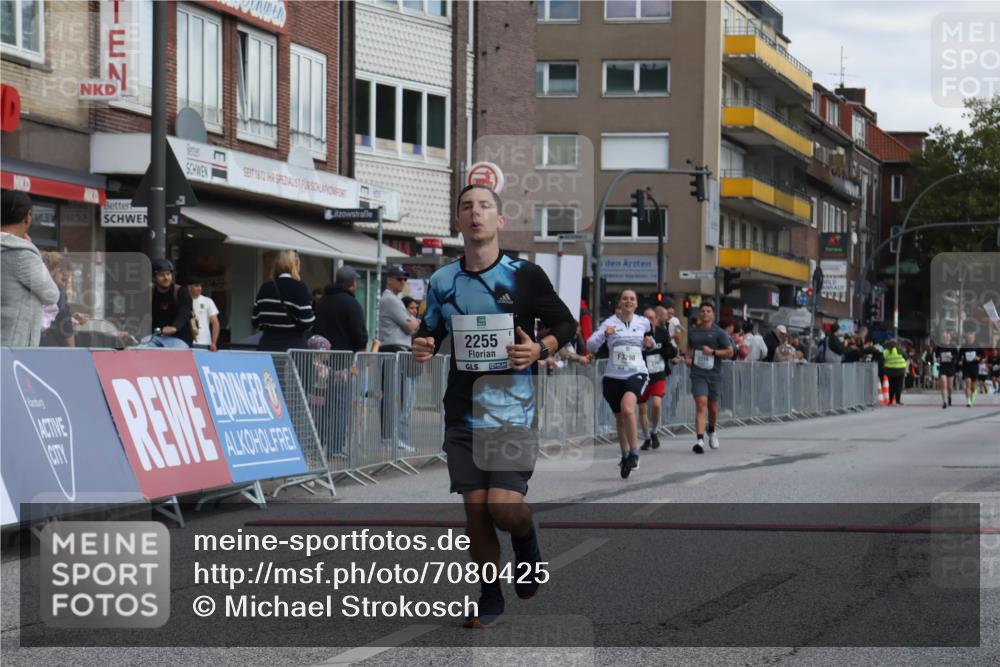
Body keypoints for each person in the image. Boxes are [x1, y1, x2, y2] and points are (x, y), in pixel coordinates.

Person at [411, 184, 575, 627]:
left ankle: (525, 539)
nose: (476, 213)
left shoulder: (526, 275)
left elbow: (567, 323)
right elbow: (429, 332)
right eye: (467, 207)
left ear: (500, 221)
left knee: (503, 508)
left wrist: (541, 348)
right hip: (462, 411)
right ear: (458, 222)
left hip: (511, 410)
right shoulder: (443, 280)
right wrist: (422, 345)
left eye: (484, 206)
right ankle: (488, 593)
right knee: (476, 510)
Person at [587, 290, 652, 476]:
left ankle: (634, 453)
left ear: (636, 304)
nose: (628, 301)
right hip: (613, 378)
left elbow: (651, 340)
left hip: (636, 373)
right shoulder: (609, 323)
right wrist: (604, 335)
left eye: (632, 299)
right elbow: (591, 345)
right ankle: (624, 455)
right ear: (620, 303)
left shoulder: (643, 322)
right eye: (625, 298)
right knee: (620, 419)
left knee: (628, 409)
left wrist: (650, 343)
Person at [1, 190, 59, 347]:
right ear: (28, 216)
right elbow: (51, 294)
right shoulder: (22, 254)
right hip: (14, 347)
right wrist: (32, 248)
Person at [685, 301, 734, 453]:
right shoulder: (693, 332)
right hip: (698, 373)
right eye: (703, 311)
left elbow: (730, 351)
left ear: (712, 314)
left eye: (708, 311)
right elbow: (689, 349)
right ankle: (699, 441)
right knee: (701, 404)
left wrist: (712, 352)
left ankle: (711, 430)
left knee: (712, 408)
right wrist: (687, 358)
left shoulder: (720, 333)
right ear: (699, 314)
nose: (705, 313)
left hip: (714, 374)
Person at [251, 250, 314, 352]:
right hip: (293, 349)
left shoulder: (265, 288)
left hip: (267, 346)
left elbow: (255, 321)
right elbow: (307, 322)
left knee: (267, 369)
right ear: (295, 265)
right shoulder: (299, 287)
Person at [639, 306, 676, 451]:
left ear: (656, 319)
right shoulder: (637, 334)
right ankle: (647, 437)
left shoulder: (662, 332)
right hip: (642, 375)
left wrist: (666, 350)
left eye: (651, 317)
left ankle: (654, 431)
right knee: (642, 408)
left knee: (656, 403)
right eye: (646, 317)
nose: (649, 320)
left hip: (658, 373)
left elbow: (669, 350)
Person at [314, 266, 368, 353]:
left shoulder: (321, 302)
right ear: (353, 283)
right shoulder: (352, 303)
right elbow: (360, 335)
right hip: (345, 358)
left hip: (322, 356)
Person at [151, 258, 194, 346]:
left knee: (176, 353)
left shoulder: (181, 292)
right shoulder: (149, 294)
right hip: (155, 337)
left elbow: (185, 313)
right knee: (141, 349)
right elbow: (139, 313)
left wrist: (174, 327)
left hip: (180, 338)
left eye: (168, 274)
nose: (166, 278)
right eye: (161, 275)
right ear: (154, 278)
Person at [41, 251, 77, 347]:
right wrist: (74, 353)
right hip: (50, 348)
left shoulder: (36, 286)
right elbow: (66, 327)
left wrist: (72, 317)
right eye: (64, 279)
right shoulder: (57, 290)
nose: (64, 285)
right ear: (55, 270)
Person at [188, 277, 221, 351]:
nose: (199, 288)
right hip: (185, 342)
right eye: (196, 286)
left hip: (203, 342)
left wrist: (214, 342)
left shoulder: (207, 301)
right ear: (189, 287)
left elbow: (215, 323)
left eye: (200, 286)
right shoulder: (183, 301)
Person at [958, 331, 983, 407]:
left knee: (973, 386)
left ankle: (974, 393)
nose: (970, 339)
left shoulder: (977, 346)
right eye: (968, 338)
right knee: (968, 383)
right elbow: (959, 356)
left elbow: (982, 355)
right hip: (966, 367)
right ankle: (968, 400)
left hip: (974, 367)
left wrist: (978, 358)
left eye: (971, 338)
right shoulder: (963, 346)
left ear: (974, 338)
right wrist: (960, 361)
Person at [934, 331, 958, 408]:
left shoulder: (953, 346)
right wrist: (938, 359)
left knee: (950, 387)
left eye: (947, 336)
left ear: (950, 338)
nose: (945, 338)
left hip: (950, 367)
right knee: (944, 384)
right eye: (944, 337)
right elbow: (936, 356)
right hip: (943, 367)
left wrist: (952, 357)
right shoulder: (939, 347)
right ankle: (944, 401)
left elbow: (956, 357)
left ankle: (949, 396)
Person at [882, 338, 909, 406]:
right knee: (898, 386)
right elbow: (906, 357)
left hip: (890, 371)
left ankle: (890, 401)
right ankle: (897, 401)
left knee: (891, 386)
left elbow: (882, 359)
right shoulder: (900, 350)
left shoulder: (886, 351)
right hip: (900, 370)